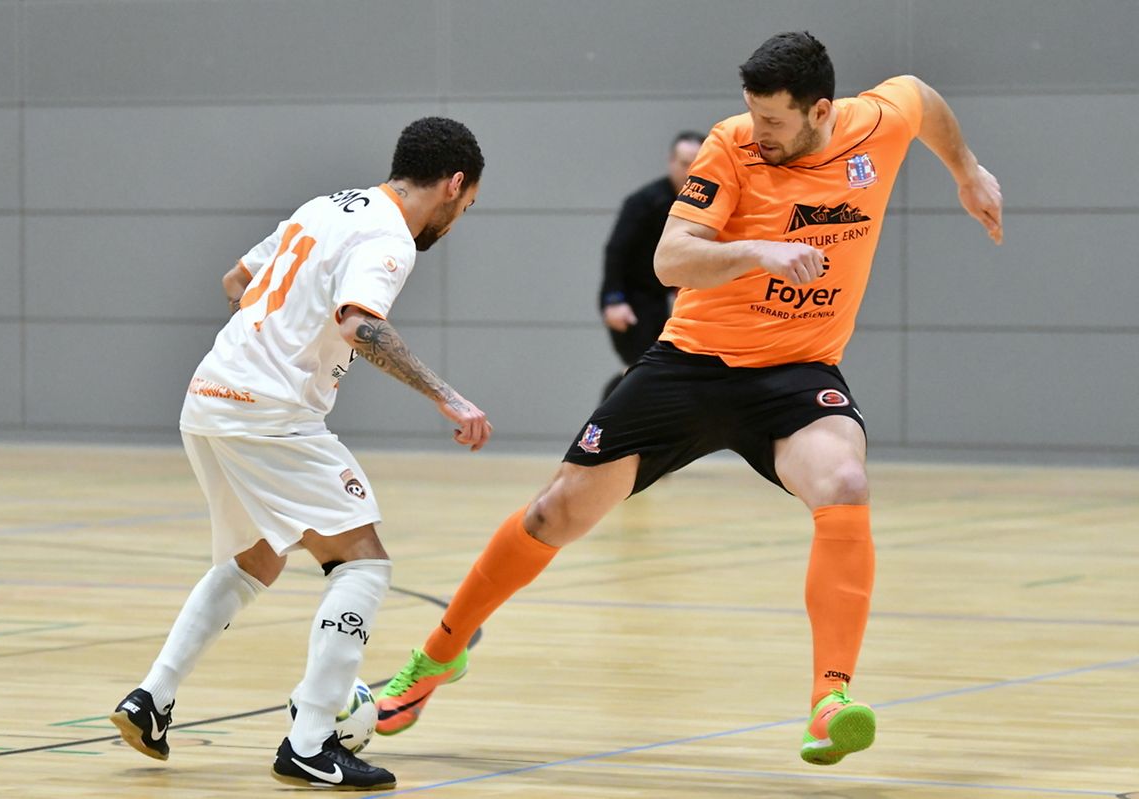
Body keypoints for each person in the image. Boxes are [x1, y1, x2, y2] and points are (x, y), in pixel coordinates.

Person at [375, 32, 1003, 768]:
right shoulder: (731, 146)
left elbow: (921, 97)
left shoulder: (876, 123)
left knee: (845, 480)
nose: (758, 131)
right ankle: (438, 654)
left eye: (774, 120)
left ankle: (829, 701)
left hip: (796, 371)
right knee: (555, 512)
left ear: (821, 111)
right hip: (692, 365)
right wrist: (758, 251)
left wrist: (967, 170)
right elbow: (671, 258)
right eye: (753, 114)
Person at [109, 117, 492, 791]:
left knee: (255, 557)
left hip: (209, 397)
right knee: (363, 563)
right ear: (453, 184)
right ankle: (312, 741)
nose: (458, 221)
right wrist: (448, 397)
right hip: (268, 413)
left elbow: (235, 280)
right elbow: (360, 323)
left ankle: (151, 698)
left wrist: (273, 336)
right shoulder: (390, 236)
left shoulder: (325, 207)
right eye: (467, 206)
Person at [599, 131, 704, 399]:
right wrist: (613, 300)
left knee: (671, 370)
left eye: (696, 164)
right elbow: (616, 250)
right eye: (684, 163)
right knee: (642, 368)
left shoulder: (705, 204)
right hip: (635, 298)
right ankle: (608, 414)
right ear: (671, 161)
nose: (689, 172)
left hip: (673, 296)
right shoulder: (644, 202)